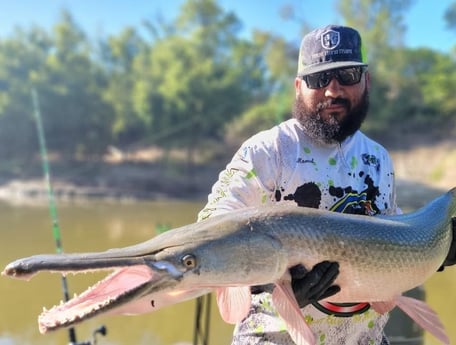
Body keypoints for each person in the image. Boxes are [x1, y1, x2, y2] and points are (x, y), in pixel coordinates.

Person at [197, 25, 455, 345]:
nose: (332, 91)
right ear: (297, 86)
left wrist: (437, 249)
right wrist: (264, 286)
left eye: (346, 74)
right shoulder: (265, 151)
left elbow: (391, 240)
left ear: (366, 81)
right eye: (318, 79)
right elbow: (211, 226)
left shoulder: (378, 158)